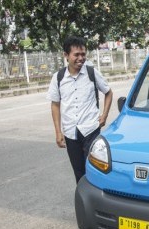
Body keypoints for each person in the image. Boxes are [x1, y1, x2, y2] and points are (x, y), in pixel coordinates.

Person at [47, 36, 113, 184]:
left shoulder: (92, 73)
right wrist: (58, 132)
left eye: (83, 54)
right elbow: (55, 105)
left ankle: (97, 199)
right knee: (78, 172)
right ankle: (84, 202)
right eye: (76, 54)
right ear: (66, 55)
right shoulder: (58, 78)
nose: (80, 58)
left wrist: (104, 116)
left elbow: (108, 92)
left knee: (94, 169)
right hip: (71, 132)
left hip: (91, 129)